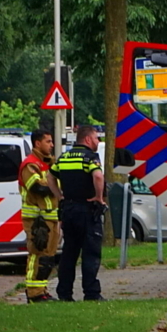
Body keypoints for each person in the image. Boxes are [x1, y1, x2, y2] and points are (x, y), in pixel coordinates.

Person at [47, 125, 106, 302]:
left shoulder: (63, 157)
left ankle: (64, 293)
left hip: (69, 210)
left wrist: (60, 196)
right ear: (88, 139)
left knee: (69, 253)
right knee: (90, 252)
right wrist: (99, 197)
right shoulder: (90, 158)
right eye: (96, 138)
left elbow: (50, 177)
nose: (98, 142)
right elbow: (97, 176)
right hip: (87, 210)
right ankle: (91, 293)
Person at [19, 129, 61, 302]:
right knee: (36, 254)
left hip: (50, 218)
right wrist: (55, 183)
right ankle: (33, 293)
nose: (52, 145)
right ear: (37, 143)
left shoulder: (49, 163)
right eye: (48, 142)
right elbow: (38, 187)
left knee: (47, 257)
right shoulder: (30, 164)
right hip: (37, 219)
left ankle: (41, 290)